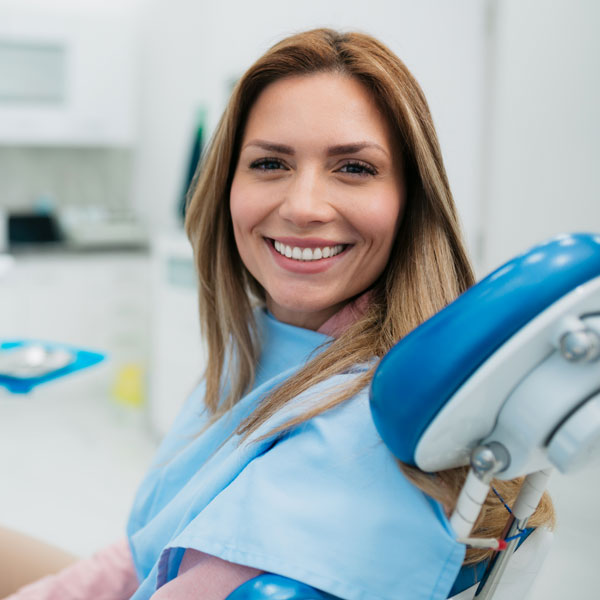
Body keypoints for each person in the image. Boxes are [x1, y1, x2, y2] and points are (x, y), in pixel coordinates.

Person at [2, 28, 554, 600]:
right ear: (227, 187)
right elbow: (145, 549)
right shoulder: (268, 345)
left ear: (410, 202)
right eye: (269, 163)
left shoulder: (368, 428)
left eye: (354, 168)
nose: (303, 207)